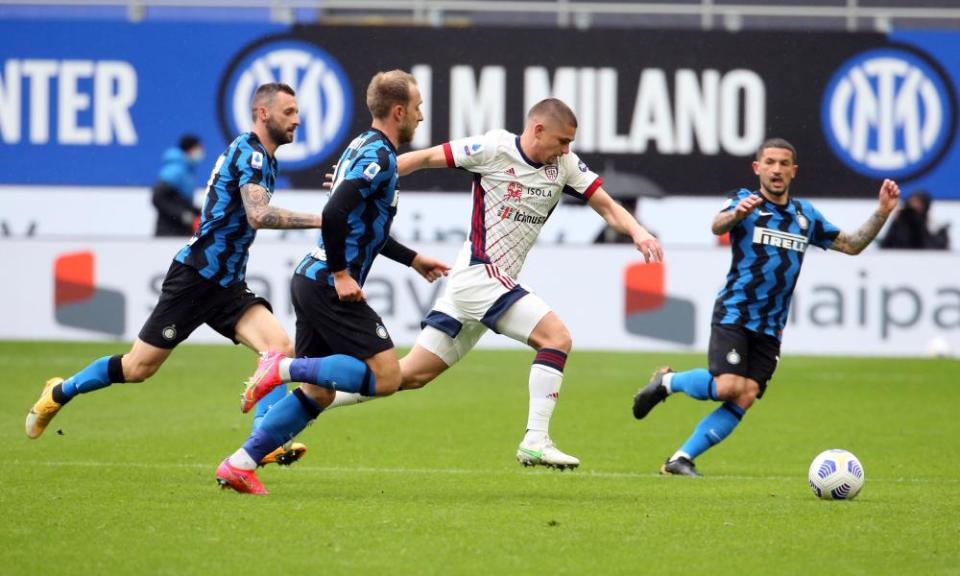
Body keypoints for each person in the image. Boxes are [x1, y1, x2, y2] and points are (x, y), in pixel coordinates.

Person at [271, 98, 663, 471]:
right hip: (480, 274)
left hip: (478, 284)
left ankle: (295, 402)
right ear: (538, 129)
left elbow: (608, 206)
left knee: (406, 377)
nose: (565, 150)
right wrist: (355, 178)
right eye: (562, 141)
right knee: (557, 338)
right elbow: (424, 158)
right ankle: (536, 439)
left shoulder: (565, 166)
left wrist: (638, 233)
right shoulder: (493, 148)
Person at [26, 83, 323, 467]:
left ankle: (263, 440)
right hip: (195, 278)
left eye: (297, 112)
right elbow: (258, 215)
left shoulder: (265, 159)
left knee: (279, 350)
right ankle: (60, 391)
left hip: (227, 285)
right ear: (263, 113)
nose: (297, 119)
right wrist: (322, 218)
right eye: (289, 112)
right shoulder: (249, 153)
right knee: (138, 368)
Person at [216, 70, 450, 494]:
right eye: (417, 108)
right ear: (399, 111)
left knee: (318, 393)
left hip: (310, 278)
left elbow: (362, 222)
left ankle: (240, 463)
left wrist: (412, 259)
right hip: (327, 282)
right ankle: (279, 367)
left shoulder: (362, 145)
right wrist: (342, 274)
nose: (421, 115)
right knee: (386, 376)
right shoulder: (378, 156)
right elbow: (337, 211)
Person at [631, 138, 900, 477]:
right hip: (735, 313)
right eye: (769, 162)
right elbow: (716, 225)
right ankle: (668, 382)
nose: (776, 169)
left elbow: (852, 244)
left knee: (746, 394)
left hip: (771, 327)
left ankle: (679, 459)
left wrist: (882, 213)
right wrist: (735, 215)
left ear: (793, 171)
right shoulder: (746, 202)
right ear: (757, 168)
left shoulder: (806, 216)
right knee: (728, 385)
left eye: (783, 163)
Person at [152, 134, 204, 236]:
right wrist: (183, 215)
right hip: (169, 231)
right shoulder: (176, 169)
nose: (201, 152)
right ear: (190, 149)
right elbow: (158, 197)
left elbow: (181, 201)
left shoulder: (186, 169)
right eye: (198, 148)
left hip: (179, 229)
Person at [880, 189, 949, 250]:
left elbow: (937, 249)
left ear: (926, 206)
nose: (914, 207)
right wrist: (896, 223)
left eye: (918, 204)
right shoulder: (900, 222)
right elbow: (885, 246)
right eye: (911, 203)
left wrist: (919, 224)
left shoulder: (936, 226)